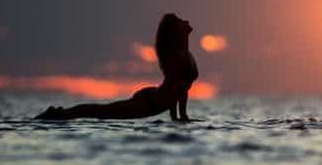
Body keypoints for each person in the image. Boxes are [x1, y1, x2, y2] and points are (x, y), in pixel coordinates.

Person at [35, 14, 199, 121]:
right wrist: (181, 117)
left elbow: (178, 88)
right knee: (101, 112)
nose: (186, 21)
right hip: (148, 103)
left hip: (151, 99)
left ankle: (61, 114)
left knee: (102, 112)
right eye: (180, 21)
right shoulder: (179, 57)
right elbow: (178, 89)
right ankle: (58, 115)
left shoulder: (184, 54)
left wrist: (178, 117)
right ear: (176, 32)